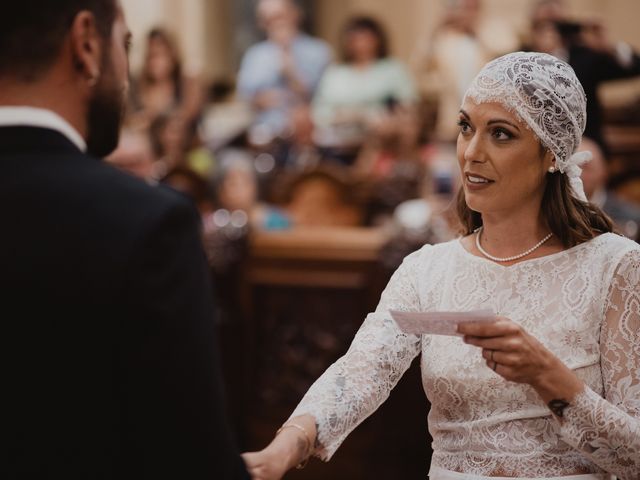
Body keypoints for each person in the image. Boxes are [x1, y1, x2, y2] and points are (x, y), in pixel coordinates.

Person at [242, 52, 640, 479]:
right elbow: (359, 374)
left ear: (551, 154)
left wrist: (551, 379)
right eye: (466, 127)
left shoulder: (613, 265)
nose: (471, 152)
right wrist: (290, 443)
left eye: (501, 134)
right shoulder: (427, 270)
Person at [0, 1, 248, 478]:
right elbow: (189, 457)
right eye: (125, 46)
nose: (129, 79)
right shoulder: (147, 224)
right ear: (87, 43)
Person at [526, 0, 640, 153]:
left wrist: (607, 47)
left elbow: (634, 68)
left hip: (586, 144)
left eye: (558, 25)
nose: (551, 32)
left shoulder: (585, 56)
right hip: (536, 144)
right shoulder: (519, 59)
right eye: (543, 25)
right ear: (533, 28)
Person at [312, 16, 417, 161]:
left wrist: (383, 120)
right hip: (338, 139)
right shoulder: (335, 73)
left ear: (378, 39)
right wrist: (355, 116)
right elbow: (319, 112)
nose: (361, 44)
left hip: (380, 140)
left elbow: (407, 106)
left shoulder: (392, 69)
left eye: (366, 38)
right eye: (355, 39)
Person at [237, 0, 331, 140]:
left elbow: (317, 97)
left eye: (280, 16)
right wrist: (284, 98)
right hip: (264, 132)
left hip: (306, 135)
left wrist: (288, 64)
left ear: (295, 15)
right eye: (268, 20)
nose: (276, 24)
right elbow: (248, 98)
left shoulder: (318, 51)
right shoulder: (255, 55)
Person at [128, 27, 204, 133]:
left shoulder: (187, 82)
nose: (154, 63)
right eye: (150, 56)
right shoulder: (139, 85)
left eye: (159, 55)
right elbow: (132, 123)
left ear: (172, 55)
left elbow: (189, 117)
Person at [579, 136, 640, 240]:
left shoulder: (630, 216)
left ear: (604, 171)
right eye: (573, 167)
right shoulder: (553, 212)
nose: (579, 174)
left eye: (586, 168)